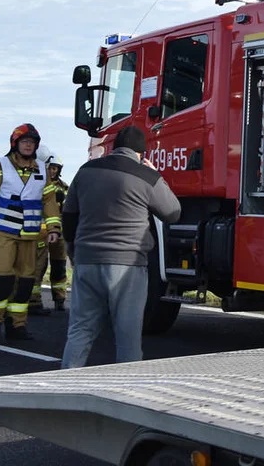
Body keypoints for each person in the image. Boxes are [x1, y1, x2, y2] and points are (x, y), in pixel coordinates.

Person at [60, 126, 181, 368]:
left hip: (87, 260)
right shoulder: (146, 176)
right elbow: (173, 213)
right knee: (127, 334)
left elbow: (69, 216)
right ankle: (125, 392)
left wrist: (74, 251)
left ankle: (65, 383)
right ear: (141, 153)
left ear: (115, 149)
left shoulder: (85, 171)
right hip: (127, 266)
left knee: (81, 329)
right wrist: (158, 176)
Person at [0, 123, 62, 342]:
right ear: (15, 144)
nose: (28, 146)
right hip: (3, 231)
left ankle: (17, 326)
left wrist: (53, 228)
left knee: (25, 282)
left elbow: (49, 201)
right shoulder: (1, 165)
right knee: (3, 279)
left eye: (32, 143)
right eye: (25, 142)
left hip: (30, 234)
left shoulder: (42, 168)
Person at [30, 153, 70, 314]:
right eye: (50, 168)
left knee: (59, 265)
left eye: (55, 168)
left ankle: (59, 299)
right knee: (38, 266)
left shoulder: (64, 187)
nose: (52, 171)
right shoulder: (36, 184)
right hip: (40, 232)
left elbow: (69, 208)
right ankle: (34, 302)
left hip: (59, 232)